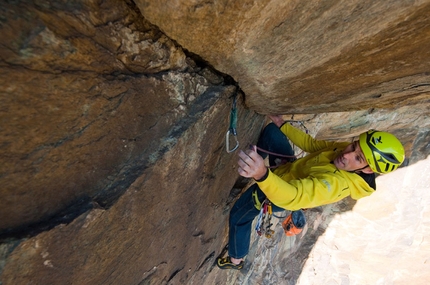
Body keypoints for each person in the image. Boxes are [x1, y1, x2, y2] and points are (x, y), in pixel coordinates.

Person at [217, 115, 405, 270]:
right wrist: (283, 125)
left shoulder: (335, 185)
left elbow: (294, 197)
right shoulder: (346, 153)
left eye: (357, 157)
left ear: (368, 170)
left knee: (238, 217)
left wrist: (262, 175)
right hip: (292, 171)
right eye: (354, 145)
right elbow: (313, 146)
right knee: (273, 132)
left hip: (283, 194)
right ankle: (254, 163)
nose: (346, 154)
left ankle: (236, 260)